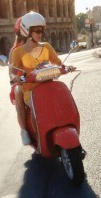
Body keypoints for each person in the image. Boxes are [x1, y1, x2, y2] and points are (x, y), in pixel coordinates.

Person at [9, 11, 73, 145]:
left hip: (49, 84)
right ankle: (39, 139)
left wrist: (67, 67)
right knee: (36, 108)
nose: (40, 34)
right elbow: (12, 72)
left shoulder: (46, 47)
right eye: (37, 31)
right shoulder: (17, 52)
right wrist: (15, 77)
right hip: (30, 89)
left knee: (63, 101)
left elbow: (59, 63)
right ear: (27, 31)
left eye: (42, 31)